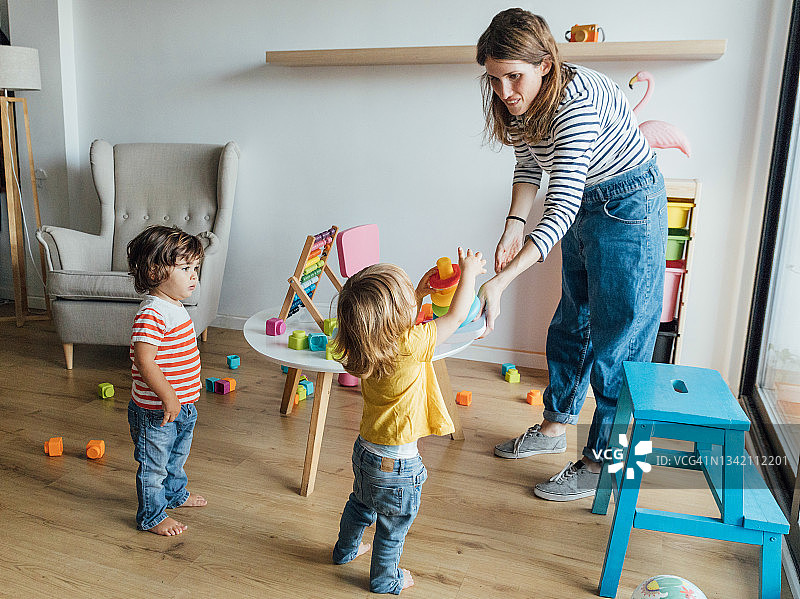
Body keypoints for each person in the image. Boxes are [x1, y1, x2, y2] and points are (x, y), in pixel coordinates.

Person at [475, 9, 667, 502]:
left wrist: (499, 282)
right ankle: (555, 426)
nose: (504, 92)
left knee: (616, 342)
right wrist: (512, 226)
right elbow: (527, 164)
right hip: (588, 200)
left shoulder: (575, 103)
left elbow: (560, 209)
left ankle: (601, 461)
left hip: (628, 204)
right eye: (494, 80)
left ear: (546, 63)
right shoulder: (518, 102)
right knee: (572, 324)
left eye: (514, 77)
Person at [332, 249, 486, 594]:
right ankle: (385, 579)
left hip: (365, 453)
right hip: (397, 467)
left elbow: (392, 320)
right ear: (397, 317)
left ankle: (345, 550)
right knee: (393, 525)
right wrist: (470, 273)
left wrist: (419, 292)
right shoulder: (410, 343)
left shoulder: (367, 344)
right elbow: (458, 315)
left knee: (360, 503)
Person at [126, 225, 208, 536]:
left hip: (182, 405)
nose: (193, 276)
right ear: (155, 271)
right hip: (156, 411)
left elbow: (178, 356)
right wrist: (170, 396)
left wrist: (187, 388)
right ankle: (152, 516)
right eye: (185, 268)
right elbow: (144, 360)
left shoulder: (174, 306)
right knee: (154, 467)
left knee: (177, 456)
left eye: (195, 268)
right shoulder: (152, 313)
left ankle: (174, 494)